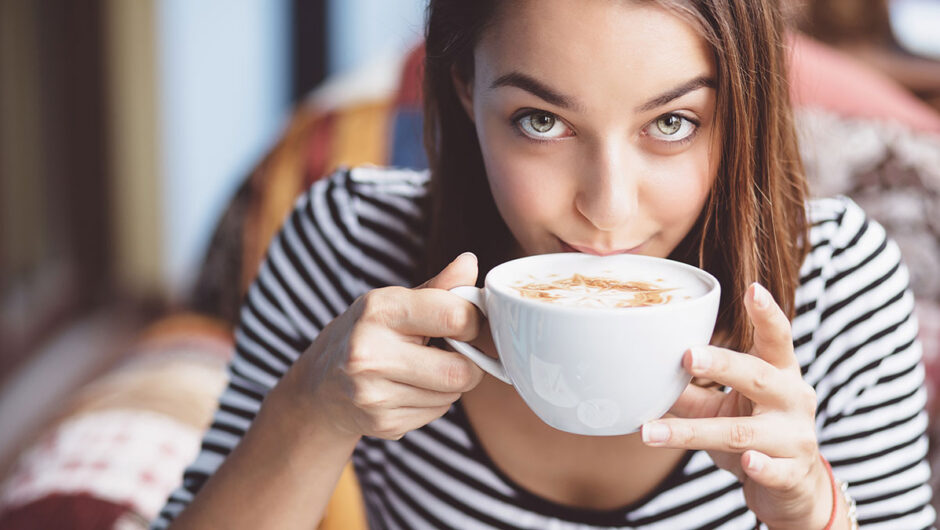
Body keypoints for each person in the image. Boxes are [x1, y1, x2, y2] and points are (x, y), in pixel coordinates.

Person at [153, 0, 935, 528]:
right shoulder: (349, 246)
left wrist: (809, 510)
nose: (609, 208)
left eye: (671, 121)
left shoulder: (838, 281)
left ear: (739, 109)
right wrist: (310, 412)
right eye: (541, 120)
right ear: (464, 89)